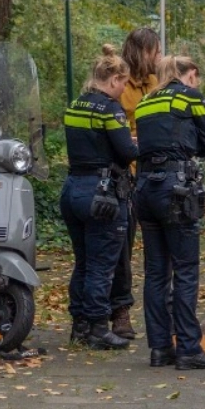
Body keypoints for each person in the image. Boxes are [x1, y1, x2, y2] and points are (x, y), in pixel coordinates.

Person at [133, 55, 205, 371]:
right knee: (185, 269)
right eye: (197, 77)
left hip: (144, 188)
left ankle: (159, 348)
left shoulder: (145, 102)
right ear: (190, 75)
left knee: (156, 272)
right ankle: (187, 348)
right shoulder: (189, 96)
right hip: (177, 189)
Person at [61, 44, 139, 350]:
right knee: (101, 265)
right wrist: (140, 142)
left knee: (82, 261)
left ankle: (78, 325)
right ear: (114, 79)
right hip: (103, 195)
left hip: (73, 190)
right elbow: (127, 152)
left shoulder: (75, 105)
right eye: (123, 83)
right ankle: (97, 327)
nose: (124, 90)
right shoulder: (110, 109)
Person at [108, 27, 162, 340]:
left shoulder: (156, 83)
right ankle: (120, 311)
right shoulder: (120, 83)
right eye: (155, 50)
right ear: (143, 51)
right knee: (121, 245)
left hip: (152, 172)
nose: (159, 56)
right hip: (126, 173)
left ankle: (160, 312)